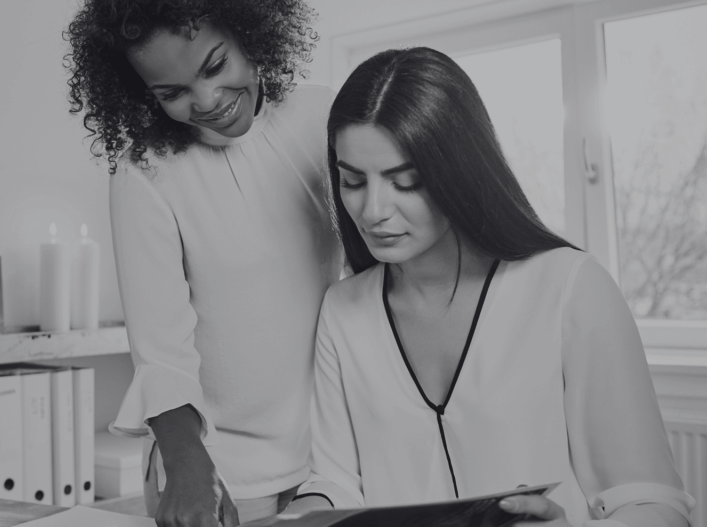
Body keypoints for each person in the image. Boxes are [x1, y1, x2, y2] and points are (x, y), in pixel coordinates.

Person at [283, 47, 696, 526]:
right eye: (353, 181)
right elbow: (335, 480)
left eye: (406, 181)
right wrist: (304, 512)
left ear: (459, 171)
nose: (373, 211)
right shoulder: (343, 309)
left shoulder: (570, 288)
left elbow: (654, 504)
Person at [64, 2, 342, 526]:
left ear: (250, 33)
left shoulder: (320, 116)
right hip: (217, 475)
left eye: (215, 66)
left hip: (332, 465)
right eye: (171, 93)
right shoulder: (145, 174)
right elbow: (162, 355)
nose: (207, 100)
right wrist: (190, 468)